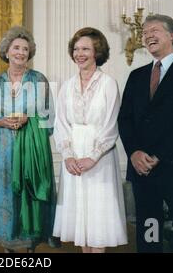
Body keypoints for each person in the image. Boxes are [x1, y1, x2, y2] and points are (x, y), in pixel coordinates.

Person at [118, 14, 173, 253]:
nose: (147, 35)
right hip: (142, 170)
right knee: (150, 230)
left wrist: (159, 155)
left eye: (154, 30)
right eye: (145, 32)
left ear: (172, 35)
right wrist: (134, 153)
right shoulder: (136, 76)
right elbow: (125, 119)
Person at [0, 26, 56, 252]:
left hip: (31, 151)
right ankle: (8, 246)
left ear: (29, 53)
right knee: (8, 195)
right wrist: (1, 122)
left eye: (25, 49)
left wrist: (29, 118)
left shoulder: (39, 79)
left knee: (29, 196)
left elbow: (49, 117)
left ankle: (31, 246)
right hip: (3, 150)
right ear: (7, 51)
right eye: (16, 48)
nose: (20, 52)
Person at [52, 27, 127, 253]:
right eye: (76, 49)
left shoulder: (108, 83)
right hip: (74, 158)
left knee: (98, 222)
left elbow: (111, 124)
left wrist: (93, 157)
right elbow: (61, 124)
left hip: (99, 160)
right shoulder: (67, 86)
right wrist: (67, 156)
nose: (79, 53)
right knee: (81, 222)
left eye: (85, 48)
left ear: (97, 52)